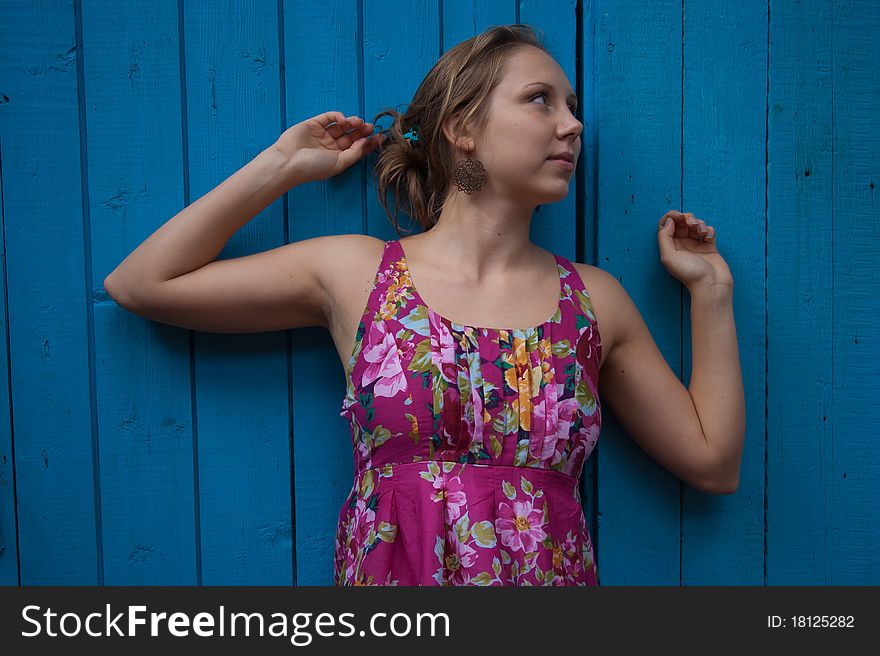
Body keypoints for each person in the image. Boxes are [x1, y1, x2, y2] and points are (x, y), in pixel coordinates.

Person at [104, 24, 745, 586]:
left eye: (573, 108)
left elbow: (713, 462)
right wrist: (283, 165)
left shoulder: (593, 301)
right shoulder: (359, 274)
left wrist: (711, 291)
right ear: (462, 128)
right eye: (539, 100)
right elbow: (141, 284)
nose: (573, 125)